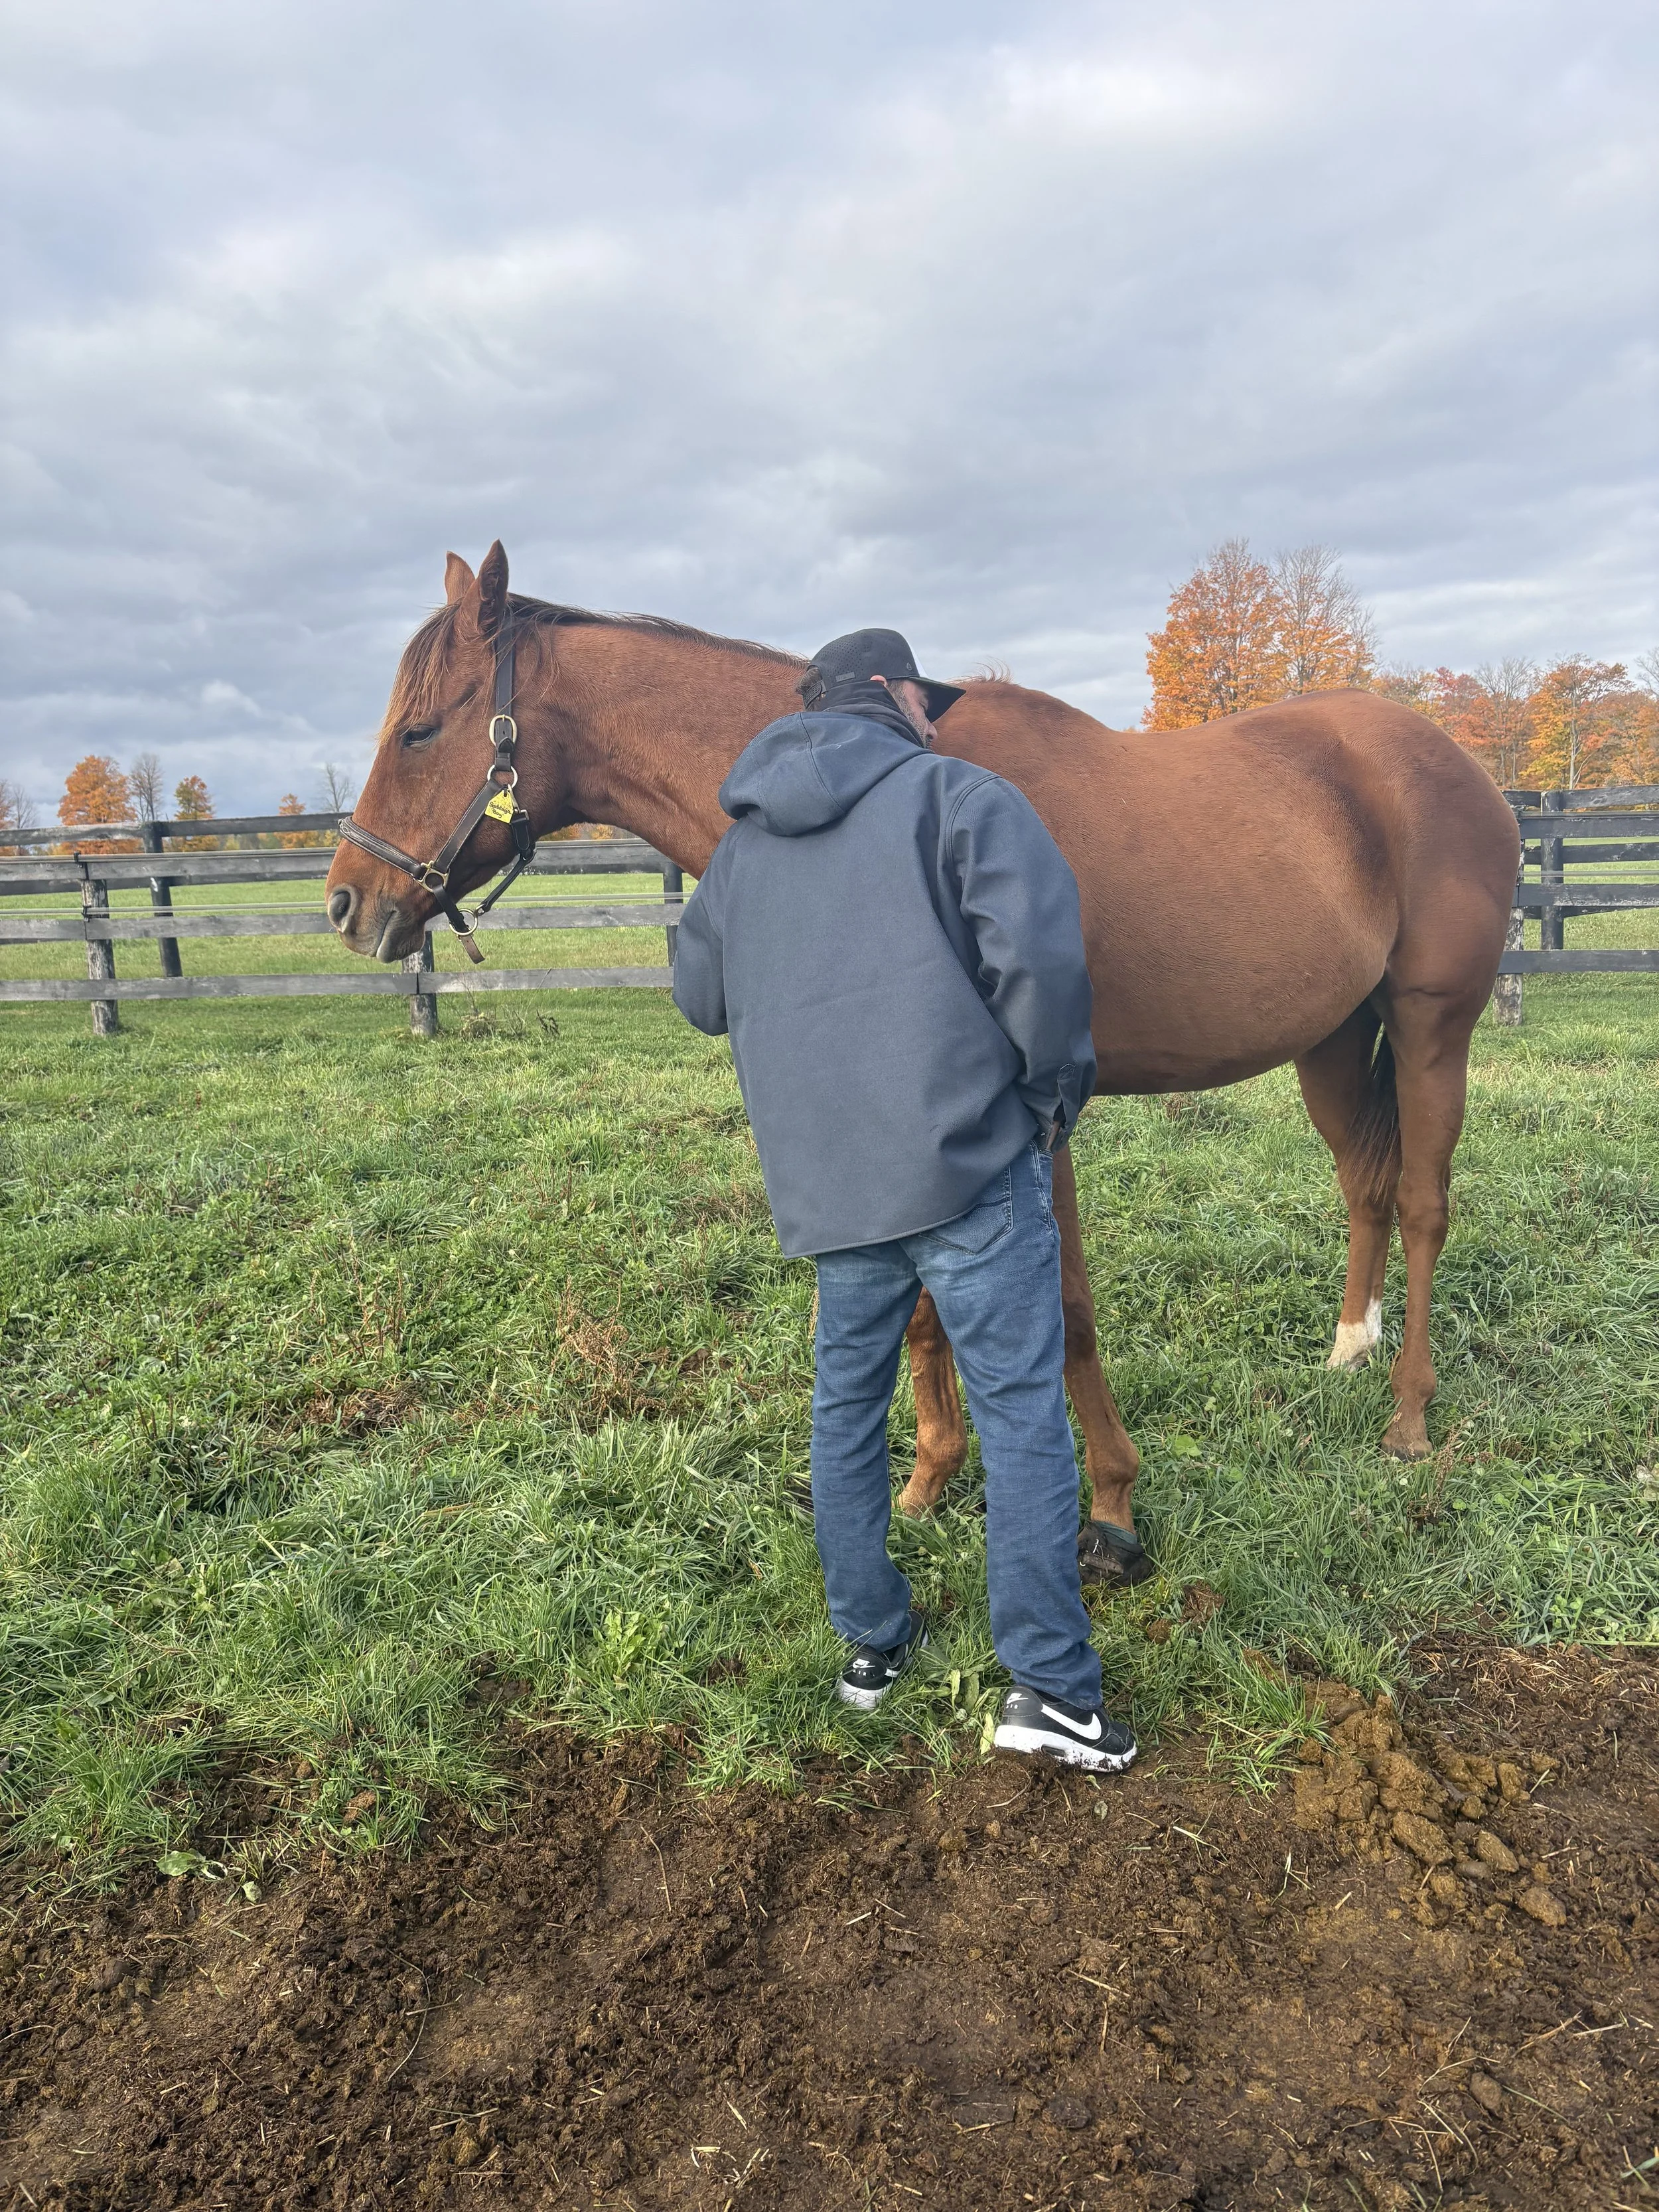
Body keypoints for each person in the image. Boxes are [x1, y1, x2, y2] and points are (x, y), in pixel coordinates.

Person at [671, 628, 1135, 1772]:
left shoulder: (737, 852)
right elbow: (1044, 967)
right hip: (971, 1168)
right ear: (891, 696)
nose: (936, 718)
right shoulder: (961, 798)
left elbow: (700, 996)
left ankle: (871, 1646)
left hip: (830, 1190)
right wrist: (1044, 1097)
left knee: (844, 1410)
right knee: (1021, 1408)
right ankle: (1050, 1692)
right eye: (926, 700)